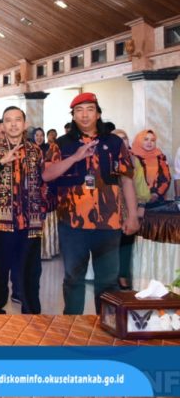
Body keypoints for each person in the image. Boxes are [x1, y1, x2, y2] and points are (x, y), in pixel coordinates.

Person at [43, 92, 139, 314]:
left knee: (108, 281)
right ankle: (72, 325)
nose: (84, 115)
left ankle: (106, 324)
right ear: (73, 115)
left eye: (89, 109)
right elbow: (47, 175)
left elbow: (127, 180)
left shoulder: (114, 143)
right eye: (79, 110)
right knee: (73, 279)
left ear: (98, 114)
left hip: (108, 224)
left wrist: (132, 216)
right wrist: (75, 157)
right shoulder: (61, 144)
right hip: (72, 225)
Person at [0, 106, 45, 314]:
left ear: (25, 124)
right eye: (8, 120)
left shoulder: (36, 151)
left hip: (30, 224)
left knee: (31, 273)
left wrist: (41, 209)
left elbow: (43, 183)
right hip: (1, 225)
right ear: (3, 125)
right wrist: (1, 163)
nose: (13, 124)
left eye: (17, 120)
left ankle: (31, 316)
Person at [112, 129, 151, 291]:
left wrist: (141, 206)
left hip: (129, 209)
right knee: (109, 245)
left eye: (124, 138)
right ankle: (109, 276)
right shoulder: (102, 159)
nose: (122, 141)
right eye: (117, 138)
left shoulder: (134, 160)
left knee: (125, 243)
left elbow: (141, 186)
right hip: (108, 210)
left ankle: (122, 275)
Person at [131, 129, 171, 203]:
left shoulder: (160, 157)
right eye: (146, 139)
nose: (149, 142)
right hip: (135, 199)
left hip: (156, 199)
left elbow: (166, 178)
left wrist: (156, 194)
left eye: (152, 140)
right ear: (139, 140)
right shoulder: (131, 157)